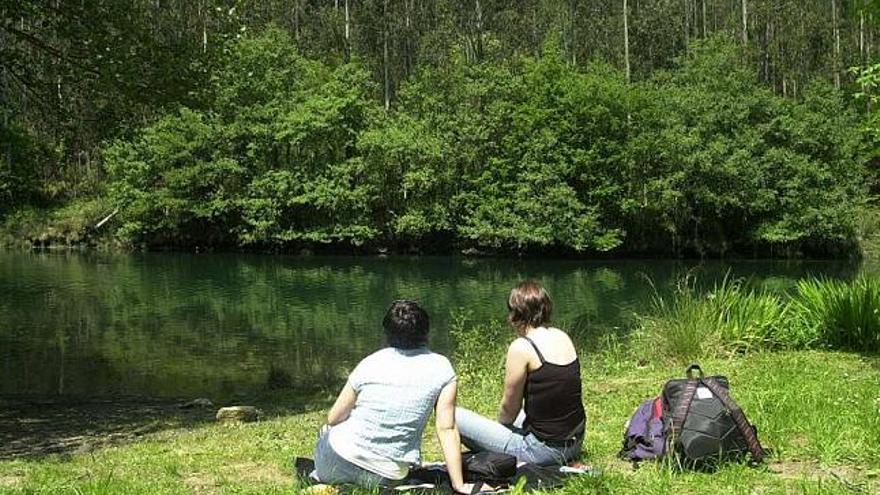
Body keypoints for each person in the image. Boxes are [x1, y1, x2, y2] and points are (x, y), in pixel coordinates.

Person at [313, 300, 472, 493]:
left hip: (332, 463)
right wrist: (458, 484)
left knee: (326, 429)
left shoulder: (370, 362)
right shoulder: (442, 367)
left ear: (387, 332)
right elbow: (447, 428)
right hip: (385, 476)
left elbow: (334, 418)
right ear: (426, 332)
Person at [456, 281, 585, 466]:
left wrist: (500, 431)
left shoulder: (521, 347)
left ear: (516, 315)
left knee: (453, 416)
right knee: (520, 417)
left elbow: (509, 411)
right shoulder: (562, 336)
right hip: (575, 441)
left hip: (543, 452)